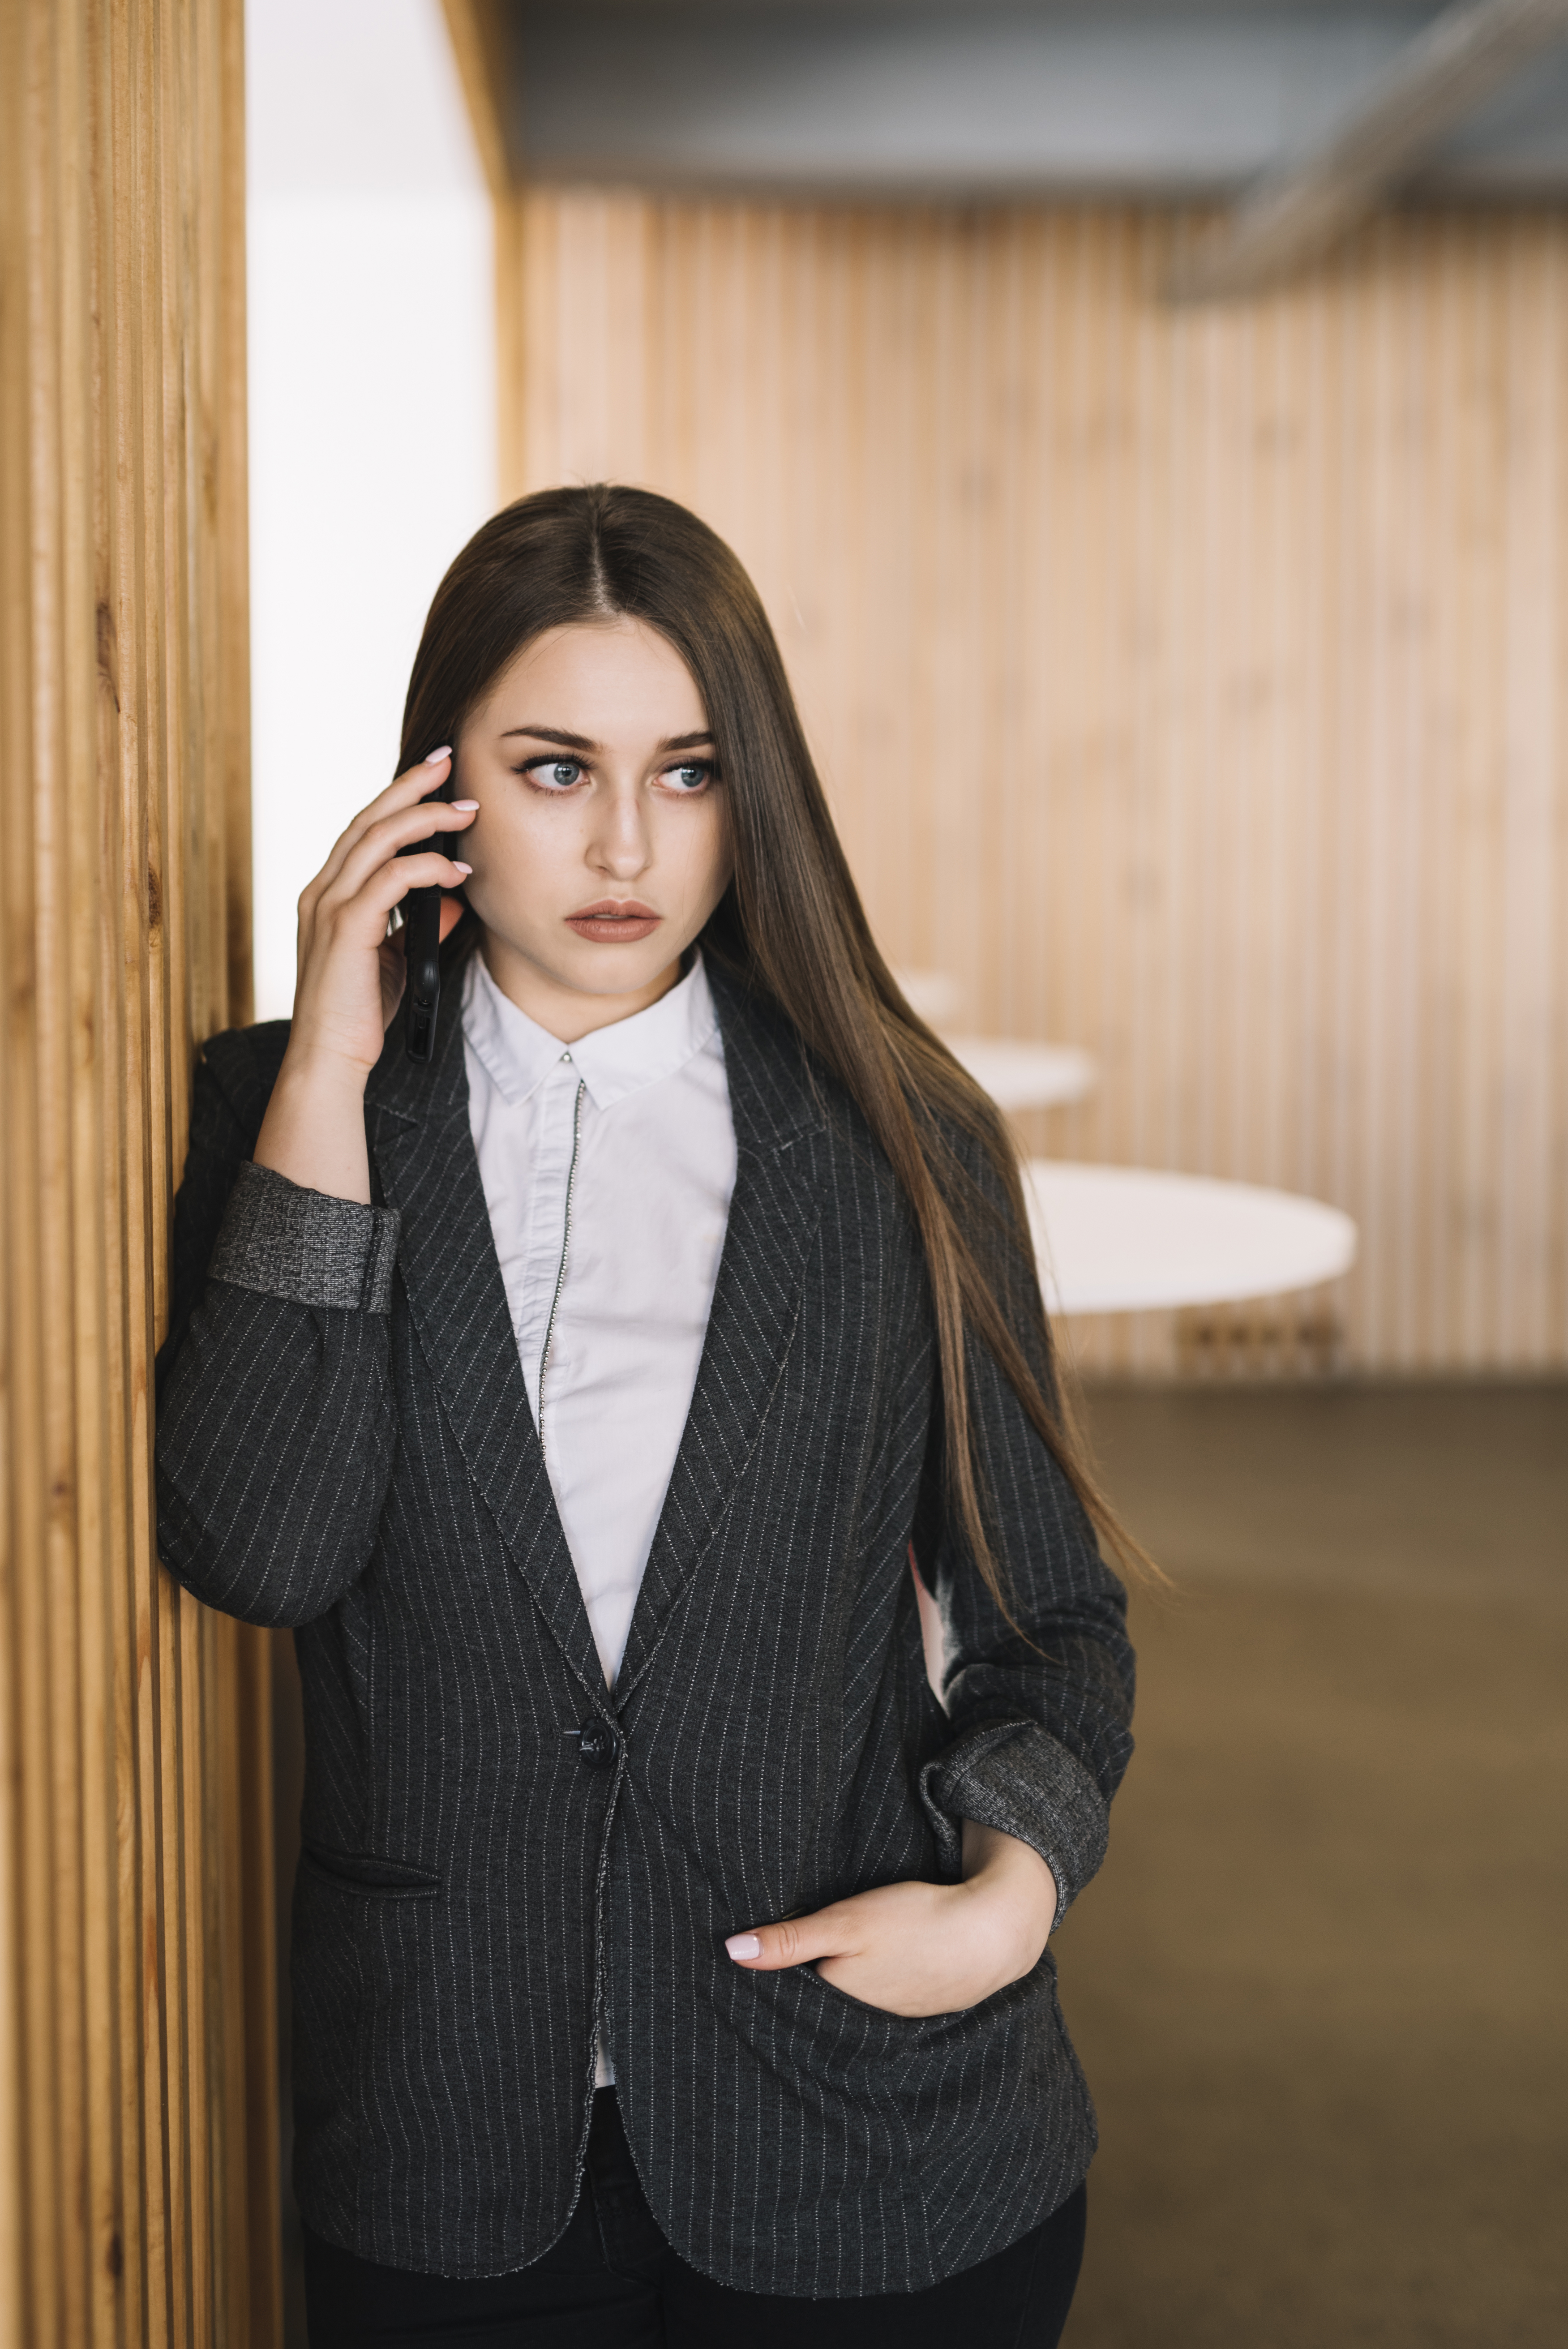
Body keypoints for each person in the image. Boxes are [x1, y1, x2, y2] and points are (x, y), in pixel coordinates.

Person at [155, 485, 1137, 2346]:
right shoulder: (289, 1114)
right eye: (552, 770)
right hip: (451, 2150)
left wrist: (1007, 1894)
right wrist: (335, 1065)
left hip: (876, 2144)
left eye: (687, 773)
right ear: (436, 790)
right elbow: (264, 1551)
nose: (626, 842)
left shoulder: (904, 1145)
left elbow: (1052, 1624)